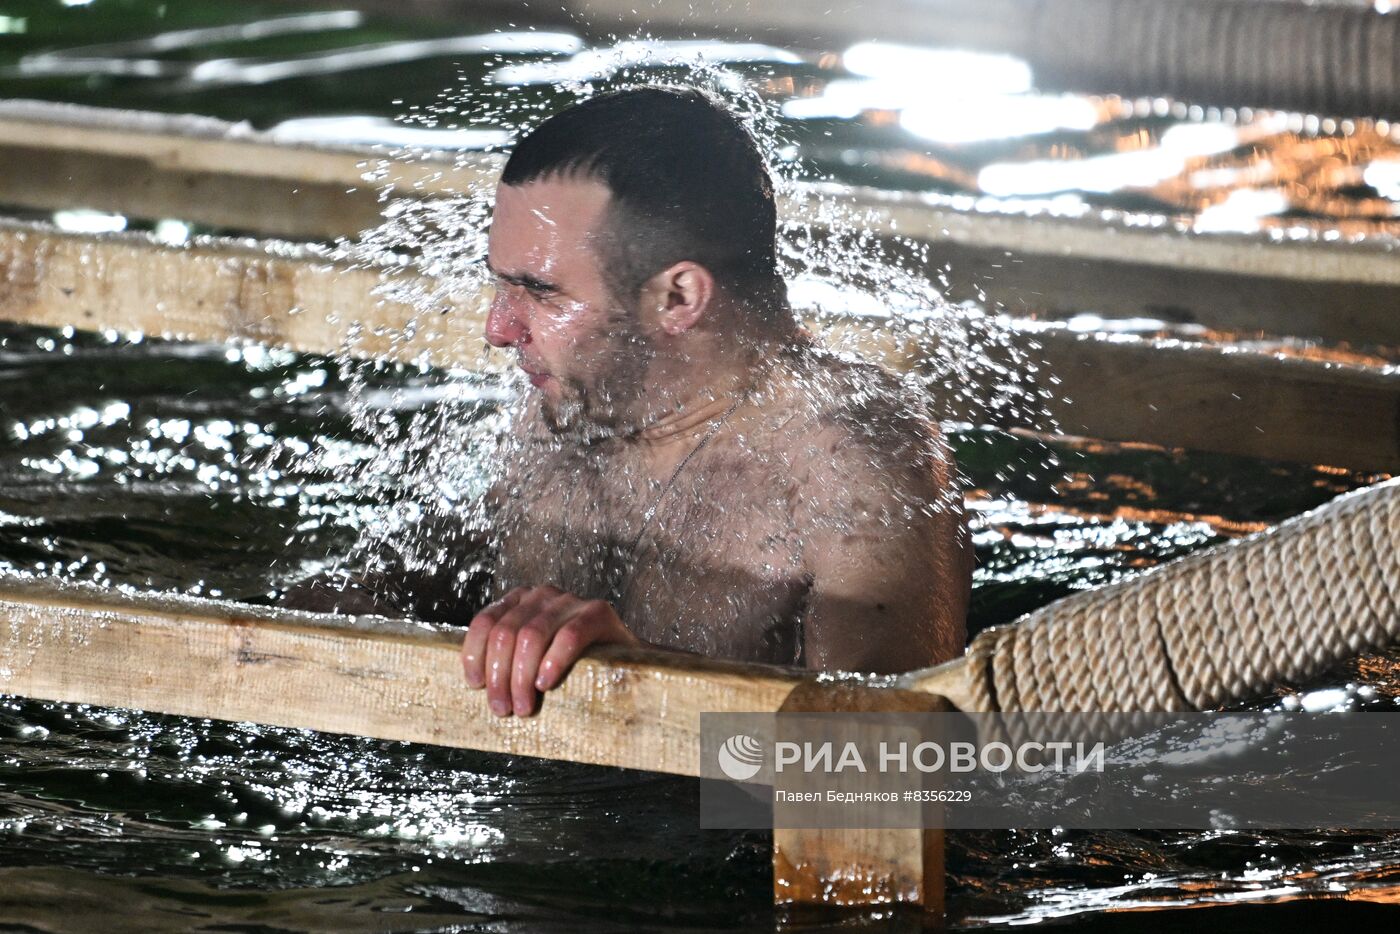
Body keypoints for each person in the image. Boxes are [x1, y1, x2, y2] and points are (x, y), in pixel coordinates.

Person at [284, 86, 972, 717]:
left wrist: (649, 681)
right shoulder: (580, 402)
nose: (498, 330)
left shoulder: (857, 461)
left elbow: (880, 785)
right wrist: (346, 604)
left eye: (541, 291)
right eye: (501, 285)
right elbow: (457, 566)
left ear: (677, 298)